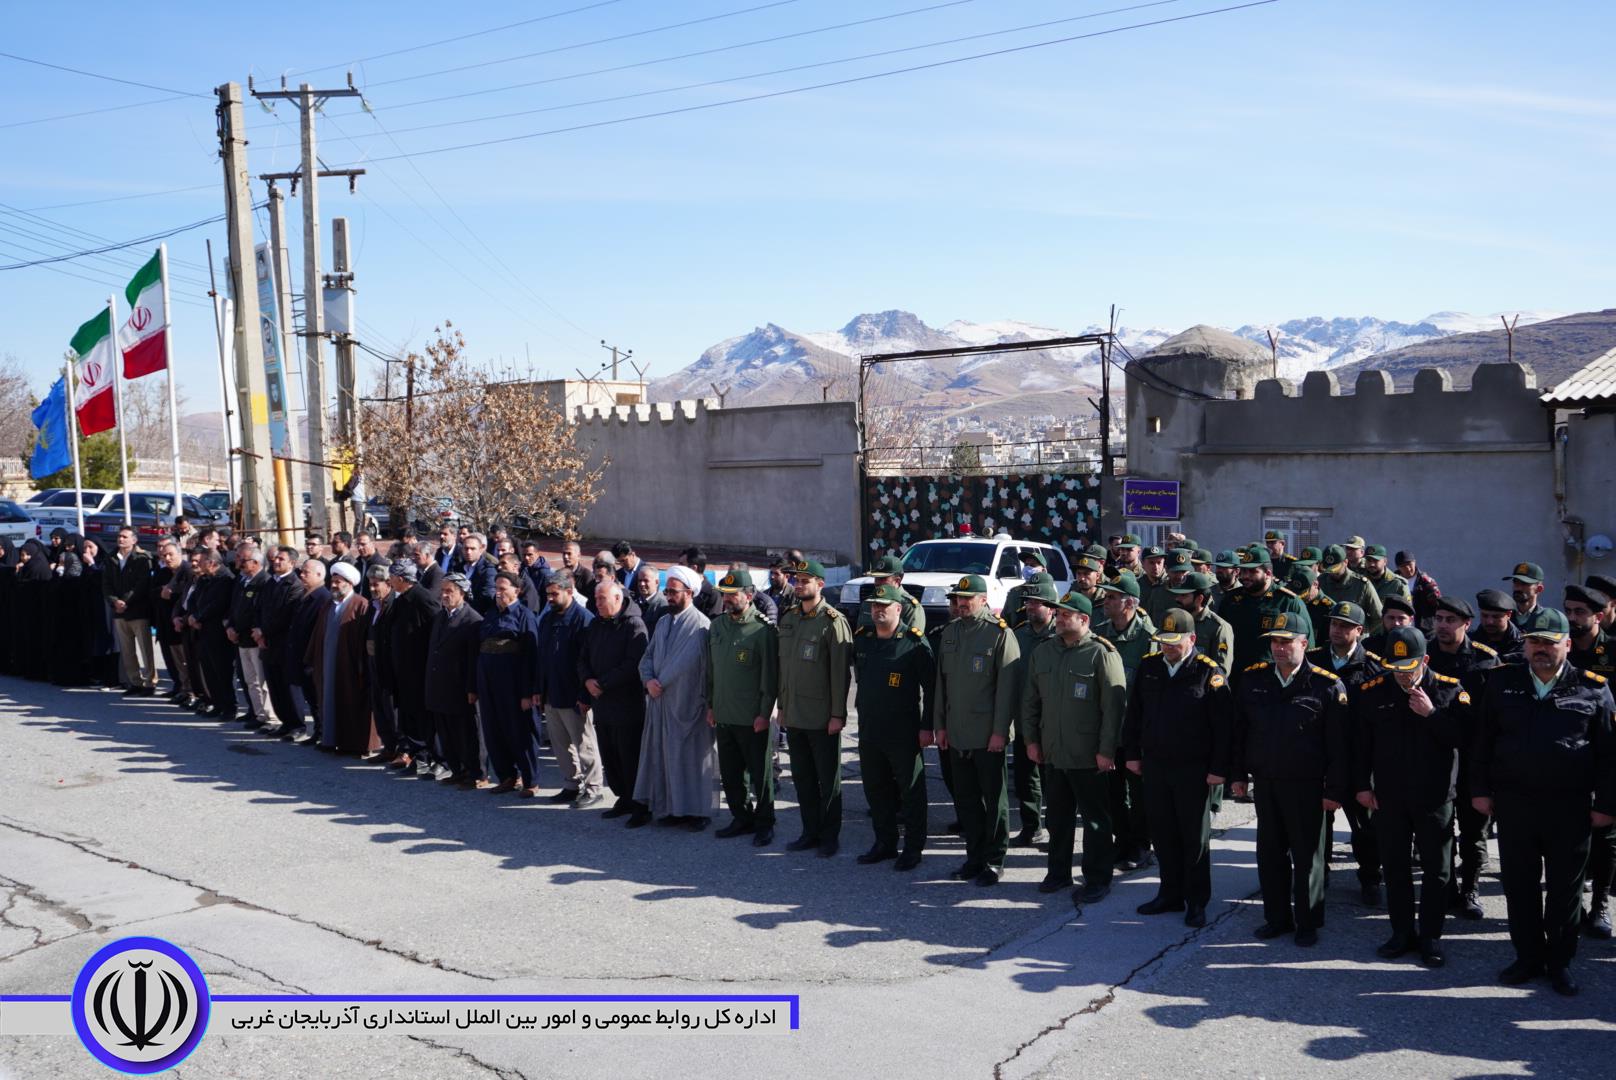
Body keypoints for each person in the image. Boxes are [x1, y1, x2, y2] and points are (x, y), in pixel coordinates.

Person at [1472, 608, 1616, 996]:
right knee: (1519, 885)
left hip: (1568, 806)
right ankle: (1528, 957)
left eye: (1549, 643)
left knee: (1565, 891)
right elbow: (1483, 741)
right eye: (1534, 641)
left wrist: (1606, 804)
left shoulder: (1593, 688)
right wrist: (1480, 790)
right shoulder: (1503, 682)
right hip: (1515, 802)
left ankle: (1561, 961)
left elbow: (1609, 755)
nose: (1540, 649)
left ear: (1567, 645)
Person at [1353, 626, 1468, 968]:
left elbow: (1464, 738)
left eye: (1409, 669)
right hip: (1390, 796)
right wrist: (1362, 785)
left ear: (1426, 660)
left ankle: (1430, 936)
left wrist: (1431, 714)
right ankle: (1401, 932)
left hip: (1434, 797)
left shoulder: (1449, 691)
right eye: (1396, 669)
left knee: (1437, 871)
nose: (1402, 676)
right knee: (1396, 867)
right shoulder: (1373, 691)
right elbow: (1361, 746)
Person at [1232, 613, 1350, 947]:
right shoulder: (1254, 679)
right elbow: (1240, 732)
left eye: (1286, 642)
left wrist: (1335, 790)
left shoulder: (1327, 685)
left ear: (1304, 644)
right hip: (1267, 782)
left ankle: (1308, 921)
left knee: (1307, 856)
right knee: (1270, 854)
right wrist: (1238, 775)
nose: (1279, 649)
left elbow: (1340, 746)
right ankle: (1277, 917)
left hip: (1307, 785)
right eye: (1274, 641)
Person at [1122, 608, 1234, 927]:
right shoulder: (1150, 667)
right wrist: (1132, 752)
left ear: (1192, 639)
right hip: (1156, 765)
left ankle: (1196, 901)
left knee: (1193, 838)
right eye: (1163, 642)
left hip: (1193, 769)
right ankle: (1169, 893)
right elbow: (1135, 715)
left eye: (1174, 643)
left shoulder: (1207, 672)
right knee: (1163, 833)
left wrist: (1218, 770)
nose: (1167, 649)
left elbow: (1224, 728)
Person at [1022, 590, 1126, 903]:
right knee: (1057, 817)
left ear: (1084, 620)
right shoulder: (1044, 652)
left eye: (1066, 614)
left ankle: (1097, 878)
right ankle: (1058, 872)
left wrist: (1107, 749)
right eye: (1058, 613)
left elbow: (1114, 708)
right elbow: (1030, 701)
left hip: (1088, 753)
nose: (1059, 618)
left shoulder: (1101, 653)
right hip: (1053, 751)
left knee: (1095, 820)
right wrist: (1030, 740)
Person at [934, 573, 1020, 885]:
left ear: (983, 600)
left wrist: (1000, 731)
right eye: (957, 599)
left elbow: (1007, 690)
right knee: (966, 799)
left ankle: (994, 860)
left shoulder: (999, 634)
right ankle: (974, 856)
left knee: (993, 799)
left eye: (967, 599)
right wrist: (939, 726)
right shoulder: (951, 633)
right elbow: (941, 686)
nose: (961, 604)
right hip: (957, 731)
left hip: (987, 734)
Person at [1423, 595, 1499, 919]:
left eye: (1449, 620)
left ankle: (1470, 888)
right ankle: (1447, 886)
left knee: (1473, 831)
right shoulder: (1425, 654)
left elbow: (1495, 715)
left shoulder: (1485, 660)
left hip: (1472, 759)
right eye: (1438, 618)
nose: (1442, 625)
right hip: (1436, 757)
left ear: (1466, 624)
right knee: (1440, 830)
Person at [1306, 600, 1384, 905]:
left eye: (1344, 625)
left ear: (1360, 631)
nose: (1336, 630)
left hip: (1356, 759)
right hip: (1318, 756)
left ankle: (1370, 878)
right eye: (1334, 624)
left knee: (1364, 826)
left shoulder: (1374, 667)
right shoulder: (1313, 660)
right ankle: (1318, 875)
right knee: (1316, 823)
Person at [775, 558, 853, 856]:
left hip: (822, 717)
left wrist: (838, 714)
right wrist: (782, 706)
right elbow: (784, 670)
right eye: (796, 580)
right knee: (803, 777)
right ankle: (809, 831)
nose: (799, 584)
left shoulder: (833, 622)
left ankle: (830, 836)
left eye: (805, 580)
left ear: (820, 584)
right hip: (794, 714)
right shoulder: (790, 618)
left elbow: (840, 674)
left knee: (827, 778)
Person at [633, 564, 717, 829]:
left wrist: (660, 683)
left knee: (692, 761)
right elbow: (647, 658)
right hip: (660, 703)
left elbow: (693, 666)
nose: (668, 596)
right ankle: (671, 809)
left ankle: (698, 813)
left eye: (673, 591)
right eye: (667, 591)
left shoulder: (701, 626)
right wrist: (648, 680)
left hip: (689, 704)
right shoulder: (662, 622)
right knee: (665, 759)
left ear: (689, 593)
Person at [705, 569, 780, 845]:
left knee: (760, 774)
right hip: (724, 714)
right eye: (724, 595)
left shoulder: (763, 630)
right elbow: (711, 673)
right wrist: (710, 705)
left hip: (751, 717)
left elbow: (770, 679)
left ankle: (765, 822)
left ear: (749, 595)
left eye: (732, 595)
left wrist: (763, 713)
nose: (727, 600)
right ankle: (741, 817)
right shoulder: (717, 627)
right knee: (731, 773)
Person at [1097, 573, 1157, 871]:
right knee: (1112, 794)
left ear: (1130, 603)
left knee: (1140, 795)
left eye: (1112, 597)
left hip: (1136, 733)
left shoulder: (1149, 640)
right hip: (1107, 731)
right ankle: (1120, 844)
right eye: (1105, 597)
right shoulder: (1099, 635)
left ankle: (1141, 846)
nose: (1105, 601)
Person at [1566, 584, 1616, 939]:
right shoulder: (1562, 650)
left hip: (1608, 752)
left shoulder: (1613, 651)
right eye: (1568, 610)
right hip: (1570, 752)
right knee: (1570, 834)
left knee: (1606, 834)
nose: (1572, 618)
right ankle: (1573, 905)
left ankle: (1600, 903)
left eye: (1579, 612)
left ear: (1598, 616)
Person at [579, 578, 650, 820]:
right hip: (602, 704)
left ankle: (641, 805)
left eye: (602, 599)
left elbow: (634, 664)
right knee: (610, 756)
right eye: (596, 599)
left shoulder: (634, 625)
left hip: (626, 705)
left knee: (630, 756)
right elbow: (583, 657)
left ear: (618, 598)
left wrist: (603, 683)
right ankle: (624, 798)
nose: (597, 603)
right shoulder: (596, 624)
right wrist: (588, 680)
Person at [474, 572, 545, 796]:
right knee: (494, 731)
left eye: (503, 588)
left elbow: (531, 657)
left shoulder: (525, 616)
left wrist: (528, 692)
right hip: (489, 685)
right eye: (497, 587)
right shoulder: (491, 615)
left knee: (520, 733)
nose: (498, 592)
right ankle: (506, 776)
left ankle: (530, 780)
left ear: (517, 590)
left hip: (514, 688)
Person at [535, 571, 602, 807]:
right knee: (560, 745)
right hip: (552, 694)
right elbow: (541, 657)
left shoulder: (583, 620)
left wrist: (585, 695)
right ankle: (571, 785)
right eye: (548, 595)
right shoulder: (547, 619)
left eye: (555, 594)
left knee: (583, 744)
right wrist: (539, 691)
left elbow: (589, 662)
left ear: (569, 592)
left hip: (575, 695)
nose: (550, 599)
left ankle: (593, 787)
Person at [1007, 579, 1059, 848]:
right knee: (1026, 776)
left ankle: (1056, 829)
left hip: (1052, 718)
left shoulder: (1060, 636)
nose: (1029, 606)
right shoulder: (1019, 634)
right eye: (1028, 602)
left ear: (1051, 607)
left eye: (1036, 602)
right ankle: (1031, 826)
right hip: (1025, 717)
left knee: (1053, 779)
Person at [306, 561, 374, 755]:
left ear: (349, 583)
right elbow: (317, 633)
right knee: (328, 701)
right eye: (333, 581)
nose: (334, 585)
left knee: (350, 703)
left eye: (338, 582)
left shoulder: (360, 604)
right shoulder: (328, 604)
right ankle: (330, 739)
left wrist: (363, 666)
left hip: (350, 666)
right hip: (327, 663)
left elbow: (365, 639)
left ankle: (353, 745)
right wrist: (312, 658)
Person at [424, 572, 485, 787]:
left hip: (459, 688)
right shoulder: (441, 616)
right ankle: (457, 769)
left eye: (449, 591)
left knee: (466, 733)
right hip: (439, 686)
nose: (444, 595)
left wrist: (471, 688)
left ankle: (476, 773)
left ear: (462, 593)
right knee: (446, 733)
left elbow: (472, 660)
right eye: (443, 591)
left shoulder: (472, 620)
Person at [388, 561, 445, 777]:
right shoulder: (401, 599)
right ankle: (417, 755)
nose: (389, 581)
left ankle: (433, 758)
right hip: (403, 670)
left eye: (392, 577)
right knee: (409, 716)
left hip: (419, 669)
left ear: (401, 579)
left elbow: (435, 630)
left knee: (424, 717)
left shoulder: (423, 598)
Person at [1220, 546, 1314, 675]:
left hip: (1272, 677)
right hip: (1235, 675)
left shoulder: (1288, 601)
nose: (1245, 576)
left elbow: (1307, 645)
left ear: (1268, 573)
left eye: (1252, 572)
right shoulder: (1231, 599)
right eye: (1244, 571)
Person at [227, 545, 277, 730]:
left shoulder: (264, 582)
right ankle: (256, 712)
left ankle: (269, 717)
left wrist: (257, 630)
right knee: (250, 680)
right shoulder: (242, 580)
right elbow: (235, 607)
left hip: (255, 639)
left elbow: (260, 611)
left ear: (255, 563)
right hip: (241, 638)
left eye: (243, 559)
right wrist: (231, 626)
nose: (238, 562)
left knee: (261, 681)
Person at [103, 525, 156, 695]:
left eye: (125, 536)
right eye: (119, 536)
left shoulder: (142, 558)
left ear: (134, 540)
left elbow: (141, 584)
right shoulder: (111, 558)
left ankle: (149, 682)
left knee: (145, 649)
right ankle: (135, 682)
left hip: (137, 609)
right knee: (127, 650)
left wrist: (126, 601)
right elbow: (106, 584)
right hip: (119, 612)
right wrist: (114, 601)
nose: (121, 539)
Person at [283, 559, 329, 742]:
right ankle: (317, 731)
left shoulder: (322, 598)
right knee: (311, 697)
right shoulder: (305, 595)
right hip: (300, 654)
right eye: (301, 572)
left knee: (317, 698)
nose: (301, 575)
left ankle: (322, 732)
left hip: (312, 657)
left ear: (319, 575)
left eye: (306, 573)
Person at [190, 549, 238, 720]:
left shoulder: (226, 579)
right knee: (209, 670)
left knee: (222, 671)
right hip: (203, 631)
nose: (198, 565)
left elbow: (218, 604)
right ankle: (217, 703)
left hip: (218, 632)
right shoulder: (204, 579)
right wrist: (193, 614)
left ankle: (229, 706)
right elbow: (194, 599)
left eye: (201, 561)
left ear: (211, 562)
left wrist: (199, 616)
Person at [365, 565, 402, 764]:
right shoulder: (374, 606)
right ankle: (388, 747)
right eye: (370, 584)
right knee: (378, 707)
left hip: (388, 664)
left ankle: (399, 748)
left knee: (391, 708)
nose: (372, 588)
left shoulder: (394, 605)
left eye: (376, 584)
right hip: (373, 662)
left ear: (388, 584)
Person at [1167, 571, 1234, 674]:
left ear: (1199, 599)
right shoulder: (1175, 620)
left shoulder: (1219, 627)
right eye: (1178, 595)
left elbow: (1221, 671)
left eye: (1183, 595)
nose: (1177, 599)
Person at [152, 539, 193, 704]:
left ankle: (191, 691)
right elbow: (153, 592)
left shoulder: (187, 571)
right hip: (166, 623)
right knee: (175, 661)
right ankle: (181, 687)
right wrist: (162, 592)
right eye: (164, 555)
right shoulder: (162, 572)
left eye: (170, 554)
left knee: (187, 661)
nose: (167, 558)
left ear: (180, 554)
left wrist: (171, 592)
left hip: (182, 624)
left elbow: (187, 595)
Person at [1318, 544, 1384, 628]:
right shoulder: (1320, 582)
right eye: (1329, 569)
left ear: (1345, 562)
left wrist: (1362, 632)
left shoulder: (1361, 584)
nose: (1332, 573)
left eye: (1335, 568)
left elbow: (1378, 616)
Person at [1474, 588, 1526, 664]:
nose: (1489, 622)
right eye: (1485, 616)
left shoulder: (1524, 645)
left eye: (1496, 617)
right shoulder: (1469, 642)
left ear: (1509, 615)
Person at [1396, 550, 1442, 633]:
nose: (1408, 568)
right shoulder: (1393, 582)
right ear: (1398, 567)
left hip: (1424, 629)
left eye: (1409, 564)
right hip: (1400, 627)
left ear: (1414, 562)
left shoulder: (1426, 582)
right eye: (1403, 566)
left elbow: (1438, 605)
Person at [1360, 544, 1413, 609]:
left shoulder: (1398, 584)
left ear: (1385, 561)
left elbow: (1406, 611)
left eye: (1376, 560)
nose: (1372, 564)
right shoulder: (1359, 580)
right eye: (1369, 560)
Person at [679, 546, 724, 619]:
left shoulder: (713, 594)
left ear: (693, 568)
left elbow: (712, 624)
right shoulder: (680, 589)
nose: (678, 568)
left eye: (681, 565)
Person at [461, 533, 499, 615]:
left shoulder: (488, 571)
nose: (468, 552)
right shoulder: (458, 567)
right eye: (466, 548)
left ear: (481, 550)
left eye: (472, 549)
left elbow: (487, 598)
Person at [1505, 561, 1548, 632]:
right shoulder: (1503, 616)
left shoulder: (1546, 620)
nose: (1518, 588)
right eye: (1515, 582)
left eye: (1524, 583)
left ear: (1539, 589)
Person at [631, 563, 668, 639]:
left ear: (656, 582)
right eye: (640, 580)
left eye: (646, 580)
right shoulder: (634, 602)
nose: (642, 584)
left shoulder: (663, 606)